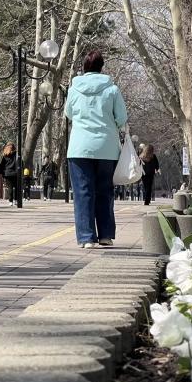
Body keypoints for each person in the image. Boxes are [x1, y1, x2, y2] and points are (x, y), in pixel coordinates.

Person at [64, 50, 127, 249]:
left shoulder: (74, 89)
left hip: (79, 148)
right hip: (106, 148)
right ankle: (106, 235)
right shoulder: (112, 89)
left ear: (84, 67)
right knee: (105, 191)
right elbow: (122, 118)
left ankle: (86, 237)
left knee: (83, 192)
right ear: (102, 67)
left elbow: (69, 113)